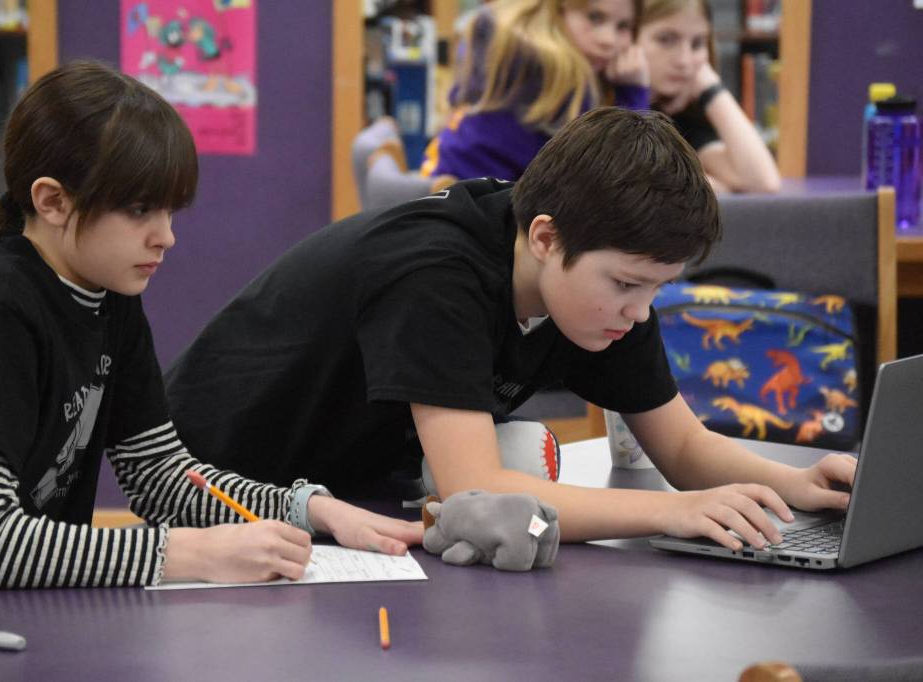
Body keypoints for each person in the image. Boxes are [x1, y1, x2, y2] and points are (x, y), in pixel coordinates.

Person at [166, 107, 856, 554]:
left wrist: (795, 484)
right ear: (546, 239)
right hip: (221, 484)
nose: (641, 312)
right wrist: (671, 513)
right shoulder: (437, 271)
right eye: (627, 286)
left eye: (657, 289)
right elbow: (476, 486)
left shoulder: (601, 288)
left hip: (347, 493)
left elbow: (681, 444)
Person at [0, 60, 421, 589]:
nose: (165, 237)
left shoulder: (106, 292)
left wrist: (309, 508)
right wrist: (189, 553)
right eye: (139, 210)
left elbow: (161, 476)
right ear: (52, 201)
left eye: (169, 212)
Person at [420, 0, 649, 182]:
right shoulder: (556, 76)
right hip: (474, 211)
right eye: (595, 17)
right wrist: (633, 93)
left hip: (446, 191)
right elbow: (617, 176)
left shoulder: (502, 45)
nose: (608, 40)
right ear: (556, 10)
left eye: (623, 26)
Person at [638, 0, 781, 193]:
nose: (684, 60)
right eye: (666, 40)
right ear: (629, 36)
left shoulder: (682, 114)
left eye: (697, 44)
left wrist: (711, 89)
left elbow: (763, 182)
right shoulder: (603, 107)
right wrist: (707, 185)